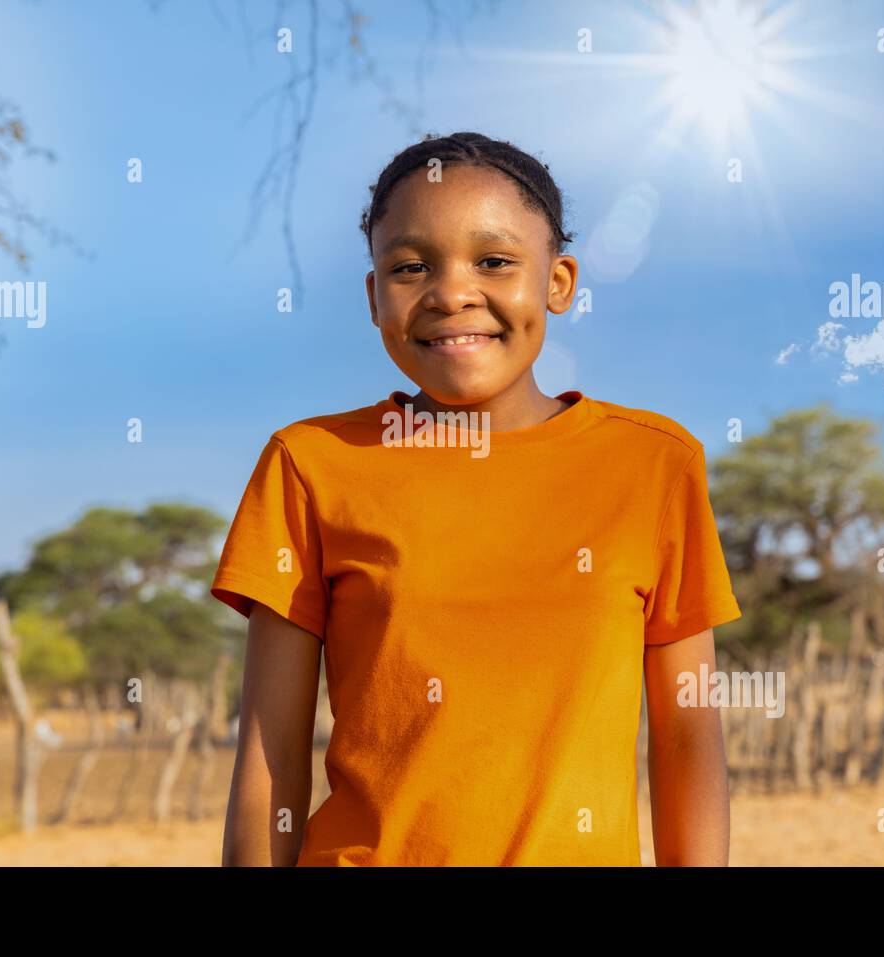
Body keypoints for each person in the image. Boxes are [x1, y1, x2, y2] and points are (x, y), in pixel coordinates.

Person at [214, 131, 741, 866]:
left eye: (494, 261)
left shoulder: (654, 464)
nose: (452, 292)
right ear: (374, 297)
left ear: (558, 282)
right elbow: (270, 754)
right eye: (409, 266)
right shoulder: (309, 465)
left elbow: (688, 735)